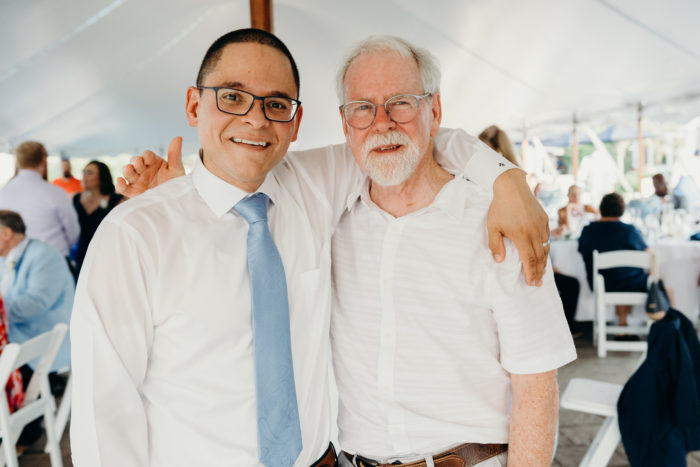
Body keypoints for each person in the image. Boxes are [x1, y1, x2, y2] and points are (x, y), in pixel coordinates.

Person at [72, 29, 549, 467]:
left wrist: (506, 179)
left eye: (276, 104)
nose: (255, 118)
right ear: (195, 106)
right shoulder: (134, 235)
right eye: (233, 97)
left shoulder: (312, 186)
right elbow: (103, 412)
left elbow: (409, 134)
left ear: (296, 122)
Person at [330, 36, 575, 467]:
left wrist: (507, 180)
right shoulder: (330, 218)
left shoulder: (497, 221)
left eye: (401, 102)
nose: (382, 122)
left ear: (434, 111)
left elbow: (536, 384)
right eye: (362, 108)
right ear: (346, 123)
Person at [0, 210, 73, 446]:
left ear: (7, 233)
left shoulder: (45, 256)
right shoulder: (6, 257)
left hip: (41, 336)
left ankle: (20, 431)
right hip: (18, 335)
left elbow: (36, 304)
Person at [578, 192, 649, 327]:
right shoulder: (629, 231)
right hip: (630, 284)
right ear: (622, 210)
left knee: (618, 276)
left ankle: (623, 325)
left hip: (600, 284)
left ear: (602, 209)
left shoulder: (588, 230)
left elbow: (582, 253)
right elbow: (648, 254)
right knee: (632, 276)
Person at [0, 142, 80, 260]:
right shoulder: (55, 192)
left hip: (12, 260)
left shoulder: (4, 192)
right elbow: (72, 231)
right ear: (43, 161)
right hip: (52, 258)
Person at [72, 161, 124, 272]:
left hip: (107, 255)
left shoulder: (117, 200)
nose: (84, 176)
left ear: (102, 176)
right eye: (84, 172)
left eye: (89, 173)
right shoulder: (75, 199)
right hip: (82, 254)